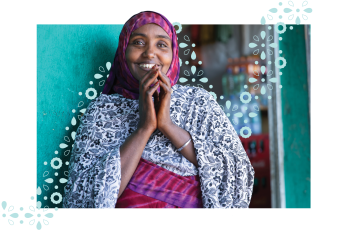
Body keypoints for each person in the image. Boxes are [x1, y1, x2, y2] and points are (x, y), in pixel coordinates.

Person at [62, 11, 255, 208]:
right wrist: (144, 128)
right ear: (123, 51)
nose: (149, 53)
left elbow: (237, 172)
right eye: (138, 42)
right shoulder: (101, 112)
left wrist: (167, 126)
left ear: (173, 55)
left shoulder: (199, 103)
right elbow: (83, 197)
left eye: (161, 45)